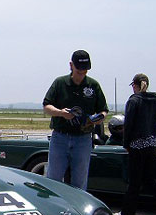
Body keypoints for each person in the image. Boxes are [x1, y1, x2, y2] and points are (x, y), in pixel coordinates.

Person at [43, 50, 108, 190]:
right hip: (60, 137)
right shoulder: (60, 83)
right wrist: (60, 113)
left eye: (85, 70)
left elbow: (103, 109)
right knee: (53, 178)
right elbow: (46, 106)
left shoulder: (93, 85)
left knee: (80, 180)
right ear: (71, 65)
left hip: (83, 139)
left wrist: (99, 118)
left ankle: (76, 209)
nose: (82, 73)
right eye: (79, 70)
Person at [117, 73, 156, 215]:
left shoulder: (134, 101)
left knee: (134, 179)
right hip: (154, 143)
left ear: (135, 86)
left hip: (137, 144)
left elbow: (128, 124)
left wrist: (126, 143)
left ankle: (128, 213)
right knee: (149, 177)